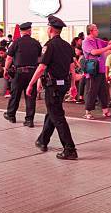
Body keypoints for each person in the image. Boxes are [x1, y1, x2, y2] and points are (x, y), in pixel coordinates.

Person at [27, 15, 78, 160]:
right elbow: (72, 67)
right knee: (53, 112)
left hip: (52, 86)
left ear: (50, 29)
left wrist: (31, 84)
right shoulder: (67, 46)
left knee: (57, 116)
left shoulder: (49, 46)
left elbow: (42, 67)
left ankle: (70, 149)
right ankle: (43, 140)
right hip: (63, 86)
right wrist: (73, 85)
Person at [2, 22, 43, 127]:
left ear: (21, 31)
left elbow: (9, 57)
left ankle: (11, 115)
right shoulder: (36, 43)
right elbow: (39, 59)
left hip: (19, 73)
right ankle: (29, 120)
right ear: (29, 31)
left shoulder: (16, 42)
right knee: (30, 96)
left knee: (15, 94)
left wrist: (6, 69)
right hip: (32, 73)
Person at [82, 24, 111, 119]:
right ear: (91, 31)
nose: (97, 31)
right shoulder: (86, 42)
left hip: (101, 69)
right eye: (96, 29)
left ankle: (105, 110)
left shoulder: (98, 41)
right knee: (91, 91)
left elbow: (108, 43)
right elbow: (94, 52)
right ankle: (88, 112)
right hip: (92, 70)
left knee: (103, 91)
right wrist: (108, 48)